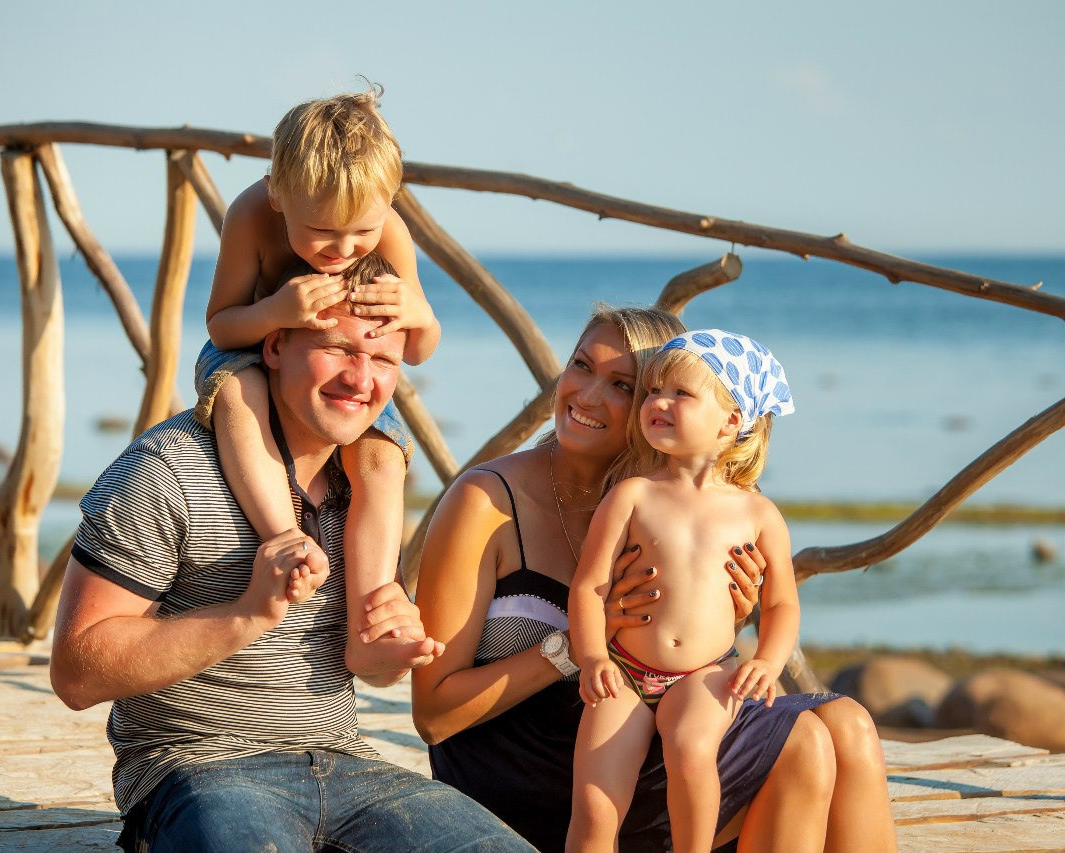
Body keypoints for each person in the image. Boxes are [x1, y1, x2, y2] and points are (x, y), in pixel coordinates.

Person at [49, 296, 529, 852]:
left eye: (383, 361)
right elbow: (76, 673)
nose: (360, 379)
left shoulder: (365, 486)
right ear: (274, 346)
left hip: (353, 766)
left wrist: (386, 655)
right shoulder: (167, 471)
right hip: (201, 772)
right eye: (338, 349)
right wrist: (246, 613)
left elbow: (366, 669)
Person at [409, 306, 897, 852]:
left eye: (623, 385)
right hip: (538, 779)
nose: (588, 396)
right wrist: (571, 648)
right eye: (581, 365)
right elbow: (433, 717)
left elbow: (706, 653)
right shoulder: (488, 501)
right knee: (802, 742)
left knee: (847, 724)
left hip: (651, 751)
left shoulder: (683, 507)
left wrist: (726, 616)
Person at [198, 89, 440, 667]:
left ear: (388, 203)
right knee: (237, 392)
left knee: (384, 457)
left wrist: (417, 316)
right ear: (279, 195)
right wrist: (275, 314)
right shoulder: (251, 216)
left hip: (344, 365)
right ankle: (284, 536)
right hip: (252, 353)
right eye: (322, 233)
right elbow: (222, 324)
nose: (344, 248)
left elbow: (420, 350)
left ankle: (373, 615)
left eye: (361, 233)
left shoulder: (390, 232)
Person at [567, 329, 800, 853]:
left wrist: (767, 661)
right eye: (651, 391)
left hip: (704, 675)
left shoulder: (758, 513)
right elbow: (589, 586)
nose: (658, 402)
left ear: (732, 421)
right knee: (595, 803)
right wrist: (590, 657)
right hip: (624, 672)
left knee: (693, 754)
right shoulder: (632, 495)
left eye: (680, 393)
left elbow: (781, 602)